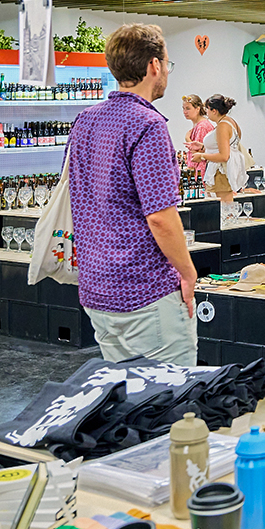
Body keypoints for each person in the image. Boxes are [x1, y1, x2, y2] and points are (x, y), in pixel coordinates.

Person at [68, 23, 198, 366]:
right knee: (170, 402)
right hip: (145, 290)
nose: (167, 70)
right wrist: (187, 272)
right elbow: (160, 217)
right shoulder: (148, 125)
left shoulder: (85, 120)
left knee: (125, 401)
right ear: (154, 66)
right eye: (168, 62)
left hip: (96, 288)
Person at [187, 94, 246, 202]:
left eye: (208, 110)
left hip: (220, 172)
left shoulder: (222, 126)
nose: (206, 113)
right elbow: (226, 146)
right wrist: (203, 147)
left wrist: (202, 156)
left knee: (224, 209)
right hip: (223, 171)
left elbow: (224, 155)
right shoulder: (230, 122)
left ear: (214, 111)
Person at [180, 94, 213, 176]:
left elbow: (198, 152)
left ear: (198, 108)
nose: (185, 112)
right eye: (183, 108)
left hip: (201, 171)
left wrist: (187, 139)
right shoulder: (198, 125)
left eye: (188, 108)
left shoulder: (202, 127)